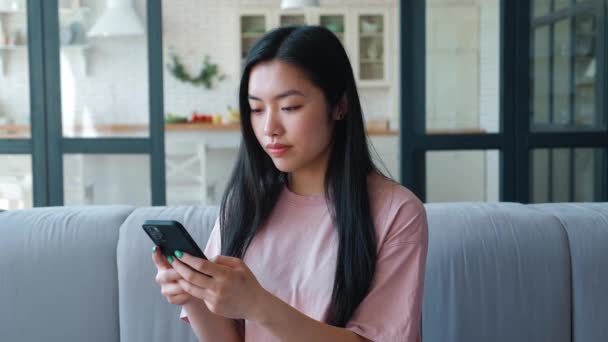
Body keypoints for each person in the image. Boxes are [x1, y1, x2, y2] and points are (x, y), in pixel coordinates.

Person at [152, 25, 428, 342]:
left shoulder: (397, 212)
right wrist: (192, 293)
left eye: (289, 107)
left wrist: (259, 305)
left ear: (339, 106)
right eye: (256, 109)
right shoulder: (243, 203)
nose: (269, 127)